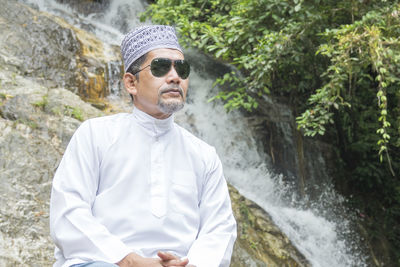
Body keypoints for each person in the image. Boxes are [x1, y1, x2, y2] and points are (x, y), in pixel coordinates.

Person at [50, 25, 237, 267]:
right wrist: (130, 261)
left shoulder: (203, 154)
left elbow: (219, 229)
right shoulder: (95, 135)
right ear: (131, 83)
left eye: (182, 68)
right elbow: (68, 214)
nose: (175, 77)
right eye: (160, 67)